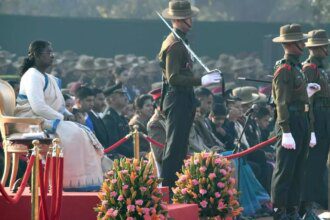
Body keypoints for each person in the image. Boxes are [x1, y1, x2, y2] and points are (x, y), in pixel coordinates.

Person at [15, 40, 103, 191]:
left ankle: (81, 181)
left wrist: (68, 114)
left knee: (82, 132)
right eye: (48, 53)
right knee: (73, 134)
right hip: (31, 122)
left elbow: (60, 106)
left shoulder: (49, 78)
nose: (52, 56)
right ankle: (64, 182)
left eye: (52, 52)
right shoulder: (32, 75)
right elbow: (38, 106)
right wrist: (62, 118)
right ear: (36, 55)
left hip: (46, 119)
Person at [158, 0, 221, 188]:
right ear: (178, 19)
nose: (191, 20)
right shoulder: (175, 44)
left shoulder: (181, 41)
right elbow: (173, 78)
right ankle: (168, 187)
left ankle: (175, 185)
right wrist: (201, 81)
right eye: (187, 17)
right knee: (174, 146)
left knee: (181, 146)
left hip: (184, 98)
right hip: (176, 98)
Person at [270, 24, 320, 219]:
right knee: (284, 170)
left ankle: (291, 209)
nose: (303, 44)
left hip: (301, 120)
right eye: (300, 41)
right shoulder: (284, 69)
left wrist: (307, 93)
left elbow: (296, 97)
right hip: (289, 122)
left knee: (298, 170)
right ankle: (278, 210)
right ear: (291, 44)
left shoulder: (297, 69)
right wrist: (285, 130)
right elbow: (281, 102)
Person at [300, 29, 330, 218]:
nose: (327, 49)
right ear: (316, 48)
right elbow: (307, 101)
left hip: (325, 115)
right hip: (316, 117)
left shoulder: (321, 68)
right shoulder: (309, 68)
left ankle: (320, 199)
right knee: (313, 162)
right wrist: (310, 126)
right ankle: (309, 201)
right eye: (324, 46)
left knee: (321, 162)